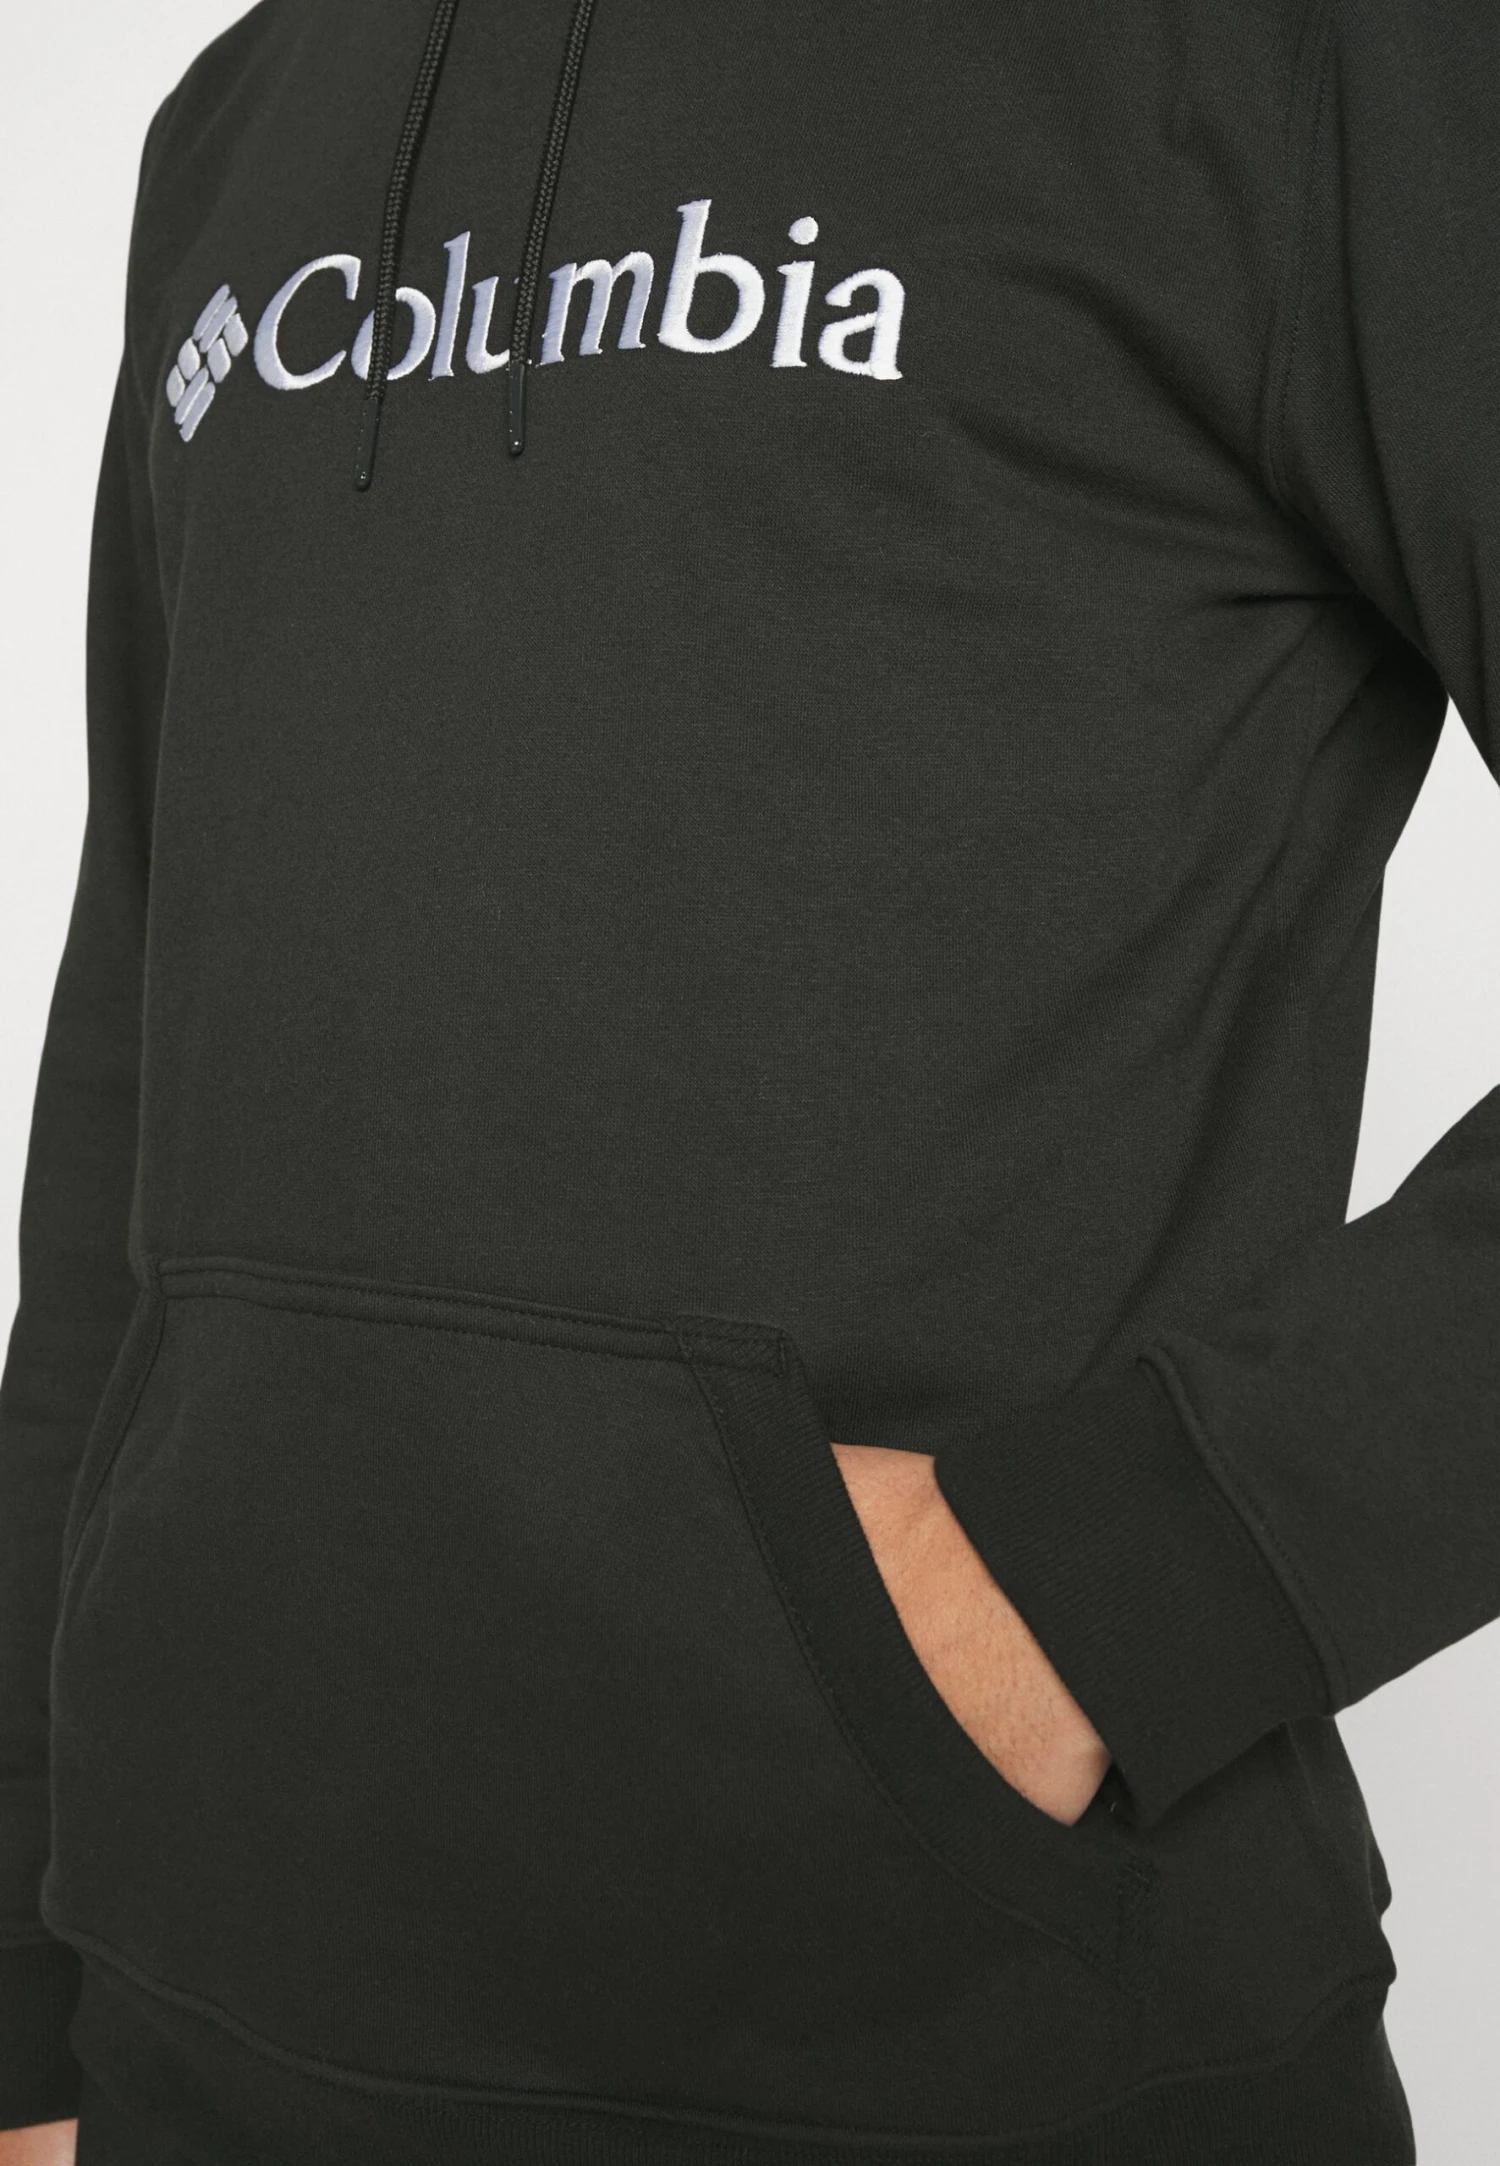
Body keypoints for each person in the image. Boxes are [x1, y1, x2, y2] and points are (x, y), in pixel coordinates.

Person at [2, 0, 1497, 2157]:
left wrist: (1131, 1578)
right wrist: (24, 1993)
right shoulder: (247, 114)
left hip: (974, 2042)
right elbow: (128, 1092)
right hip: (194, 2015)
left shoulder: (1298, 57)